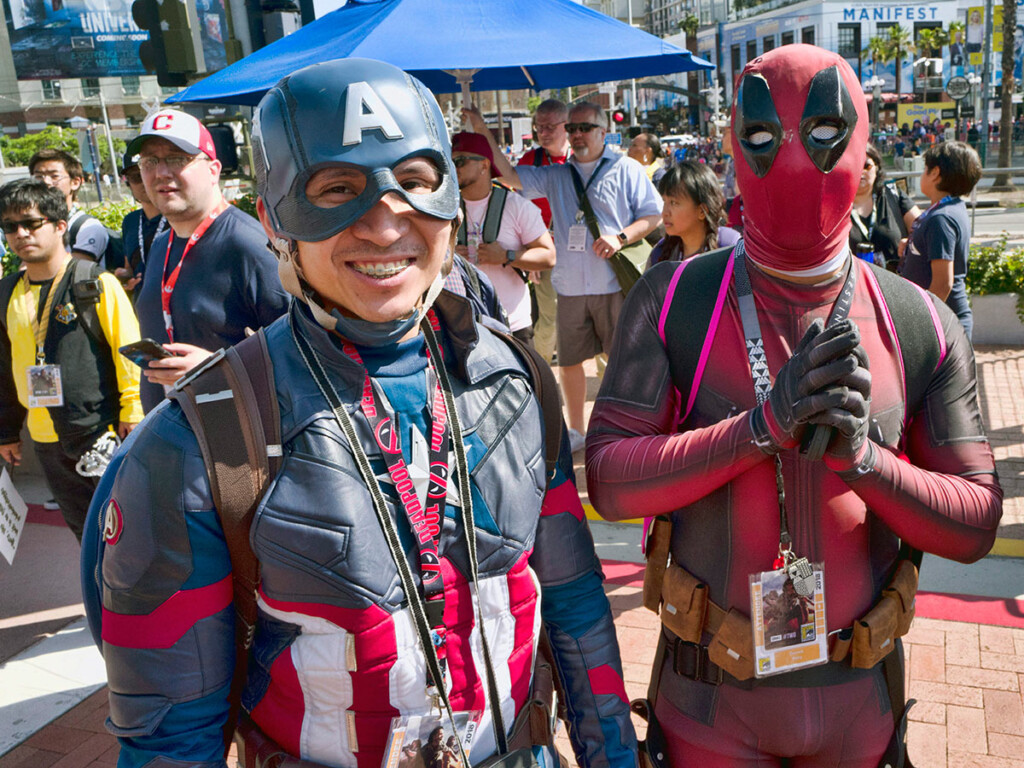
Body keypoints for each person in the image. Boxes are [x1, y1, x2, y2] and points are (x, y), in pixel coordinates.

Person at [85, 58, 636, 768]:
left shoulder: (515, 378)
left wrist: (615, 758)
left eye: (412, 182)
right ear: (275, 216)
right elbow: (168, 737)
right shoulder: (200, 440)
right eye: (337, 190)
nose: (383, 226)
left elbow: (576, 610)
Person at [587, 45, 1001, 767]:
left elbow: (974, 520)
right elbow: (612, 481)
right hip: (712, 702)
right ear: (733, 149)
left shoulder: (916, 322)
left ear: (863, 143)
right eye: (761, 137)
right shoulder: (676, 301)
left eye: (821, 134)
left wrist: (867, 463)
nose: (792, 158)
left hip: (858, 701)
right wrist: (756, 431)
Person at [481, 102, 662, 452]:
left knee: (621, 360)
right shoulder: (557, 174)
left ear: (602, 130)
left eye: (585, 127)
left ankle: (625, 426)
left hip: (613, 283)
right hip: (571, 286)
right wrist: (482, 129)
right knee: (569, 363)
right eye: (573, 128)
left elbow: (653, 215)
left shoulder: (625, 169)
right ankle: (577, 430)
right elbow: (506, 174)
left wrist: (620, 237)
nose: (577, 134)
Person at [0, 179, 142, 542]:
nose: (20, 234)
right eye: (10, 227)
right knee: (86, 536)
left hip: (101, 430)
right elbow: (4, 368)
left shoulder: (94, 282)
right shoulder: (7, 294)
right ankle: (100, 598)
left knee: (126, 530)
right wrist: (6, 431)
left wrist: (133, 413)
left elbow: (129, 352)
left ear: (60, 225)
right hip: (45, 437)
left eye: (31, 223)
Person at [127, 108, 289, 412]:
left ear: (214, 169)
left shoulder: (249, 245)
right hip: (171, 437)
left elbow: (307, 352)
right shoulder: (162, 243)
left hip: (236, 445)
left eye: (177, 159)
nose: (161, 172)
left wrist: (219, 370)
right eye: (150, 161)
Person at [451, 131, 555, 346]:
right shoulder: (445, 209)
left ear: (484, 165)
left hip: (513, 325)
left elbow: (548, 256)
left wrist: (506, 255)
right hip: (463, 325)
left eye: (460, 161)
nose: (455, 168)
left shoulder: (516, 206)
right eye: (451, 162)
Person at [901, 140, 982, 339]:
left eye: (925, 169)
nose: (922, 175)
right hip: (945, 320)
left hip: (941, 326)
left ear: (935, 173)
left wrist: (922, 324)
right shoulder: (949, 209)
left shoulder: (941, 218)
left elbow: (943, 283)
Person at [517, 99, 570, 364]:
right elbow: (518, 210)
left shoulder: (582, 155)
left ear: (567, 125)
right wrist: (530, 252)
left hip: (585, 249)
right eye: (539, 127)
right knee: (550, 318)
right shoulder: (530, 161)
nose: (544, 133)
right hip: (545, 249)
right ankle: (543, 375)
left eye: (550, 126)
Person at [647, 160, 741, 267]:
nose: (665, 213)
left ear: (702, 210)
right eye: (664, 201)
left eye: (674, 203)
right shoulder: (659, 254)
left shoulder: (730, 247)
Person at [849, 143, 921, 270]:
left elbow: (923, 228)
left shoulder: (894, 195)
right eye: (855, 165)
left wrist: (910, 242)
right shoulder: (836, 204)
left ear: (877, 168)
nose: (861, 171)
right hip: (853, 284)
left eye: (866, 166)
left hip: (893, 284)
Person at [29, 148, 109, 262]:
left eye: (54, 176)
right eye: (39, 176)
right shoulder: (29, 226)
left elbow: (72, 273)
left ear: (75, 183)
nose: (46, 181)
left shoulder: (87, 227)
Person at [117, 149, 166, 297]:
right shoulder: (130, 221)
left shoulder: (179, 216)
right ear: (128, 183)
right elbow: (130, 267)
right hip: (143, 306)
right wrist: (123, 277)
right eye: (136, 177)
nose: (145, 180)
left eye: (149, 171)